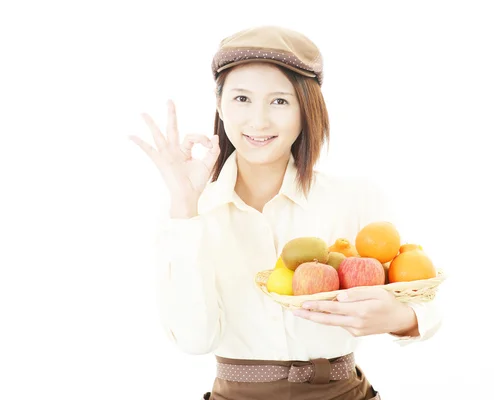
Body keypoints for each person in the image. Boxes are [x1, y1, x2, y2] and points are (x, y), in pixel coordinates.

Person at [129, 25, 442, 400]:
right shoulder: (192, 215)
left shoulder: (354, 198)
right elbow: (194, 340)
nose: (258, 121)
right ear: (220, 104)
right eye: (242, 98)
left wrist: (400, 319)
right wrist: (184, 203)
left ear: (305, 109)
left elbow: (424, 305)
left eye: (279, 101)